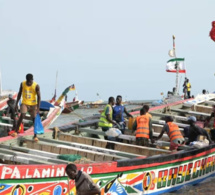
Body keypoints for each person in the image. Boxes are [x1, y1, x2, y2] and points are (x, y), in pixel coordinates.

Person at [13, 74, 41, 141]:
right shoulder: (22, 84)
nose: (29, 83)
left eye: (30, 81)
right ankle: (16, 131)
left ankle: (35, 136)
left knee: (34, 119)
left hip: (33, 104)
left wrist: (38, 108)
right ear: (26, 80)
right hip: (25, 103)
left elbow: (39, 97)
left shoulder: (36, 86)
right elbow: (19, 93)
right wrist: (16, 103)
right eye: (28, 81)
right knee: (22, 115)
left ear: (32, 80)